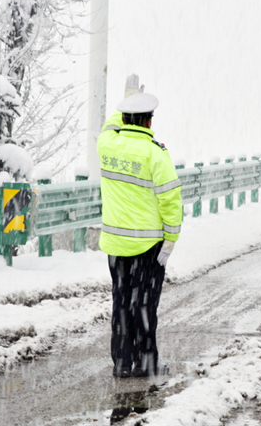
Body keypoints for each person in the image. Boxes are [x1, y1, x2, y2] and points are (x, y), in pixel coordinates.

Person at [97, 74, 183, 378]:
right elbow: (170, 202)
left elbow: (109, 126)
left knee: (122, 304)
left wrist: (126, 97)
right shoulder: (155, 154)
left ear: (126, 118)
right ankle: (147, 364)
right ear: (148, 122)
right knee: (144, 307)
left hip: (116, 247)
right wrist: (170, 241)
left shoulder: (107, 144)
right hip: (148, 248)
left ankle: (122, 363)